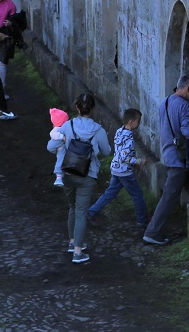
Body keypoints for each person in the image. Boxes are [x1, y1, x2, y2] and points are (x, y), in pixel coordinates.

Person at [47, 92, 110, 264]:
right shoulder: (98, 130)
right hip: (87, 176)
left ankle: (72, 242)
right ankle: (77, 253)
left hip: (67, 173)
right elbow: (106, 151)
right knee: (81, 212)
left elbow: (51, 147)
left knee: (73, 208)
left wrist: (64, 139)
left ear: (76, 108)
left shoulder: (67, 126)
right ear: (93, 109)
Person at [142, 74, 189, 245]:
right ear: (188, 89)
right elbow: (188, 132)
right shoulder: (184, 106)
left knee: (187, 190)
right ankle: (152, 232)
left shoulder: (165, 102)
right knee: (169, 196)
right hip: (180, 158)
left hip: (169, 153)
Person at [87, 108, 150, 229]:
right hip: (124, 172)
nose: (139, 123)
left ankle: (92, 212)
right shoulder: (129, 138)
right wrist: (139, 161)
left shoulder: (119, 131)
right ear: (131, 122)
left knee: (110, 193)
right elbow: (125, 157)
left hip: (116, 168)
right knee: (137, 195)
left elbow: (120, 153)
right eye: (138, 121)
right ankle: (142, 220)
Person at [48, 107, 70, 187]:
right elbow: (52, 134)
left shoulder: (62, 127)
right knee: (60, 161)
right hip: (61, 148)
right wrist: (62, 137)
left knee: (62, 160)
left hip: (63, 148)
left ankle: (63, 173)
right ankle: (59, 177)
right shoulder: (57, 129)